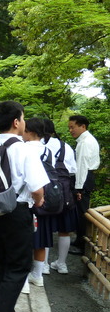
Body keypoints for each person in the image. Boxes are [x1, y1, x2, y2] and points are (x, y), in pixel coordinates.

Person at [0, 101, 49, 312]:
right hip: (17, 211)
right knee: (19, 265)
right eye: (23, 117)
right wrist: (38, 201)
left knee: (0, 262)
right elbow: (37, 188)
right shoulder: (25, 149)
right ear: (17, 122)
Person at [43, 118, 78, 274]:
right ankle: (62, 264)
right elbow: (72, 171)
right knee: (64, 229)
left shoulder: (41, 146)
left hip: (47, 191)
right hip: (64, 192)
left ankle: (43, 264)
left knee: (46, 228)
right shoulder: (66, 147)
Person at [23, 117, 55, 288]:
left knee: (24, 240)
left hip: (26, 200)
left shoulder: (24, 149)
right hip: (44, 201)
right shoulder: (48, 150)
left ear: (30, 132)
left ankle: (23, 281)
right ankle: (38, 275)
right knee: (40, 239)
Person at [67, 114, 100, 255]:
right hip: (86, 177)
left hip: (84, 178)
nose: (70, 130)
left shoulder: (85, 142)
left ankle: (82, 245)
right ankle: (80, 241)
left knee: (82, 212)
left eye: (72, 127)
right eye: (69, 128)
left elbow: (82, 166)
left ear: (83, 126)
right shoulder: (85, 140)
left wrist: (78, 188)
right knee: (81, 210)